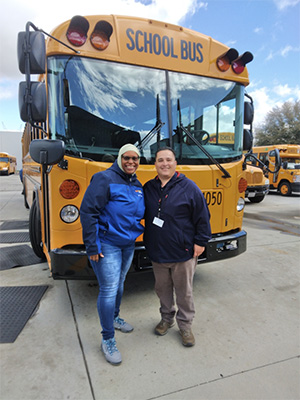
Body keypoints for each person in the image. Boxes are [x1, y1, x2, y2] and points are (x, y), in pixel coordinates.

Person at [80, 144, 145, 365]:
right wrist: (92, 246)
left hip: (128, 245)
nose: (131, 162)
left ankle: (115, 317)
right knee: (108, 289)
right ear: (119, 158)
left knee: (120, 283)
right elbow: (88, 212)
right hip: (107, 244)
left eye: (135, 158)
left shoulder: (136, 184)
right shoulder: (104, 179)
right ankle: (107, 338)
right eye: (127, 157)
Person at [143, 147, 211, 347]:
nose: (165, 164)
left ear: (175, 163)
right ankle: (166, 318)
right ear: (155, 164)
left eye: (168, 160)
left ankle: (185, 325)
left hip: (183, 253)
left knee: (184, 292)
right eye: (160, 160)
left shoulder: (189, 188)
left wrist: (201, 242)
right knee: (162, 289)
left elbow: (203, 218)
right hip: (158, 252)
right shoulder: (148, 188)